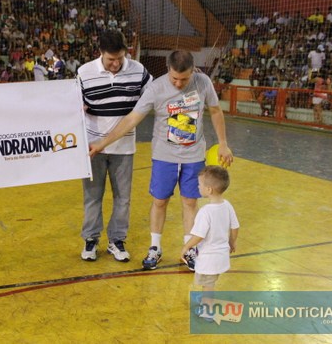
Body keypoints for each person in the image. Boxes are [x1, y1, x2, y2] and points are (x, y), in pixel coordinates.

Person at [89, 50, 233, 270]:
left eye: (184, 79)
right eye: (174, 78)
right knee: (159, 201)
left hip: (194, 155)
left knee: (190, 202)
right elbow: (132, 119)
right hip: (164, 156)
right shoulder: (156, 88)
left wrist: (223, 143)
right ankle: (155, 247)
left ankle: (189, 249)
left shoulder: (203, 83)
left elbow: (214, 110)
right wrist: (102, 143)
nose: (178, 83)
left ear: (193, 71)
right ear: (168, 69)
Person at [77, 30, 152, 262]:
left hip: (124, 148)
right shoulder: (84, 72)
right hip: (92, 148)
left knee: (123, 198)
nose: (116, 63)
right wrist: (78, 108)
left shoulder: (139, 71)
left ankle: (117, 240)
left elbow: (153, 96)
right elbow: (74, 104)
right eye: (111, 59)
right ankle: (90, 240)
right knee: (92, 197)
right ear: (100, 53)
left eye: (120, 57)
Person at [180, 166, 239, 320]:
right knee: (210, 282)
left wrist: (186, 247)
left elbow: (199, 235)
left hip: (208, 257)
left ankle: (207, 310)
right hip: (221, 255)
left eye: (200, 185)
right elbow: (235, 227)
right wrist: (232, 242)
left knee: (208, 284)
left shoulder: (205, 211)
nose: (198, 187)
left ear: (209, 189)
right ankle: (208, 302)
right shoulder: (227, 205)